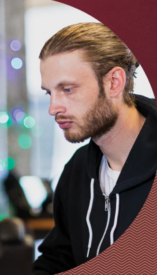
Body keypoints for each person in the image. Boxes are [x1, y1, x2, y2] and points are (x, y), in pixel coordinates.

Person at [32, 22, 157, 274]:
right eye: (49, 93)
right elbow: (59, 258)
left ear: (114, 82)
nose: (53, 108)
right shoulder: (77, 171)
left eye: (67, 89)